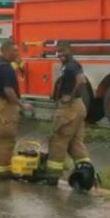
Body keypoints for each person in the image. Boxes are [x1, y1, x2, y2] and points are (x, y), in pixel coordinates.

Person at [38, 41, 92, 186]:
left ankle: (52, 177)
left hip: (70, 108)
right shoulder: (69, 65)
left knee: (58, 141)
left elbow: (81, 81)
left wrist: (70, 96)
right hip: (77, 108)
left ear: (70, 50)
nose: (60, 54)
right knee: (76, 143)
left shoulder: (72, 65)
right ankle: (86, 175)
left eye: (63, 51)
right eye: (58, 52)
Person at [0, 40, 29, 179]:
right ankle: (3, 171)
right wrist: (21, 105)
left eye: (18, 51)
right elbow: (8, 90)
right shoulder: (6, 68)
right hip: (5, 105)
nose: (17, 53)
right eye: (14, 51)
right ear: (5, 51)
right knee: (6, 139)